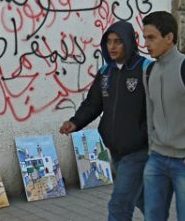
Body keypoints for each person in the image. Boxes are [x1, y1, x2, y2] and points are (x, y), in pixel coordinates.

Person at [59, 21, 149, 221]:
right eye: (109, 41)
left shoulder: (145, 69)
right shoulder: (105, 72)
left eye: (118, 41)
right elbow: (92, 104)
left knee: (119, 204)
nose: (113, 46)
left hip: (139, 150)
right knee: (143, 199)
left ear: (129, 42)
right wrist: (75, 122)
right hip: (116, 149)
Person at [142, 11, 185, 221]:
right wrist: (152, 148)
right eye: (144, 38)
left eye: (151, 37)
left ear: (169, 38)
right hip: (157, 160)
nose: (146, 43)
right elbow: (150, 112)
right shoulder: (149, 71)